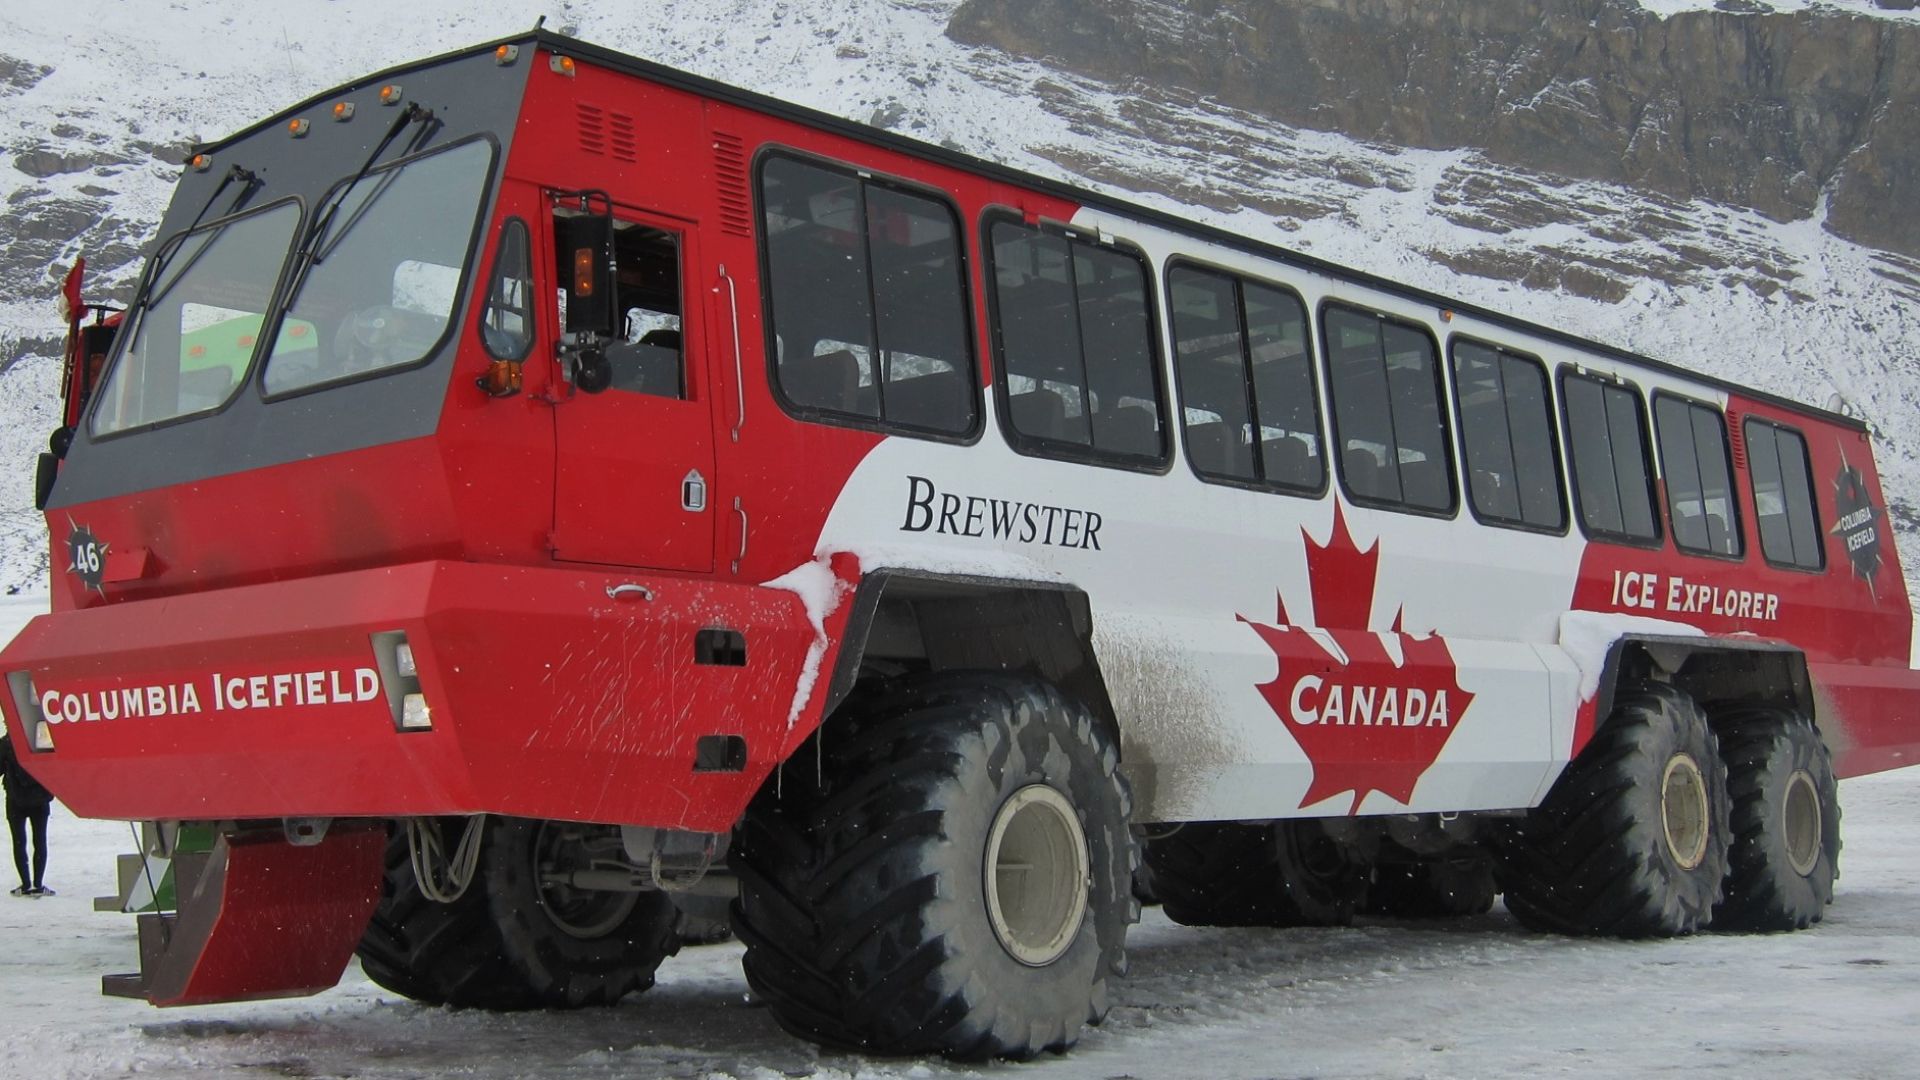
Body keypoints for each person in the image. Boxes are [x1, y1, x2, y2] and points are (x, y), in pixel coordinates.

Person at [0, 733, 54, 897]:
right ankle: (38, 884)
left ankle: (25, 884)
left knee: (19, 842)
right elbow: (52, 766)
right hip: (39, 798)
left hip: (16, 800)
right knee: (40, 840)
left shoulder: (5, 743)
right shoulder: (39, 738)